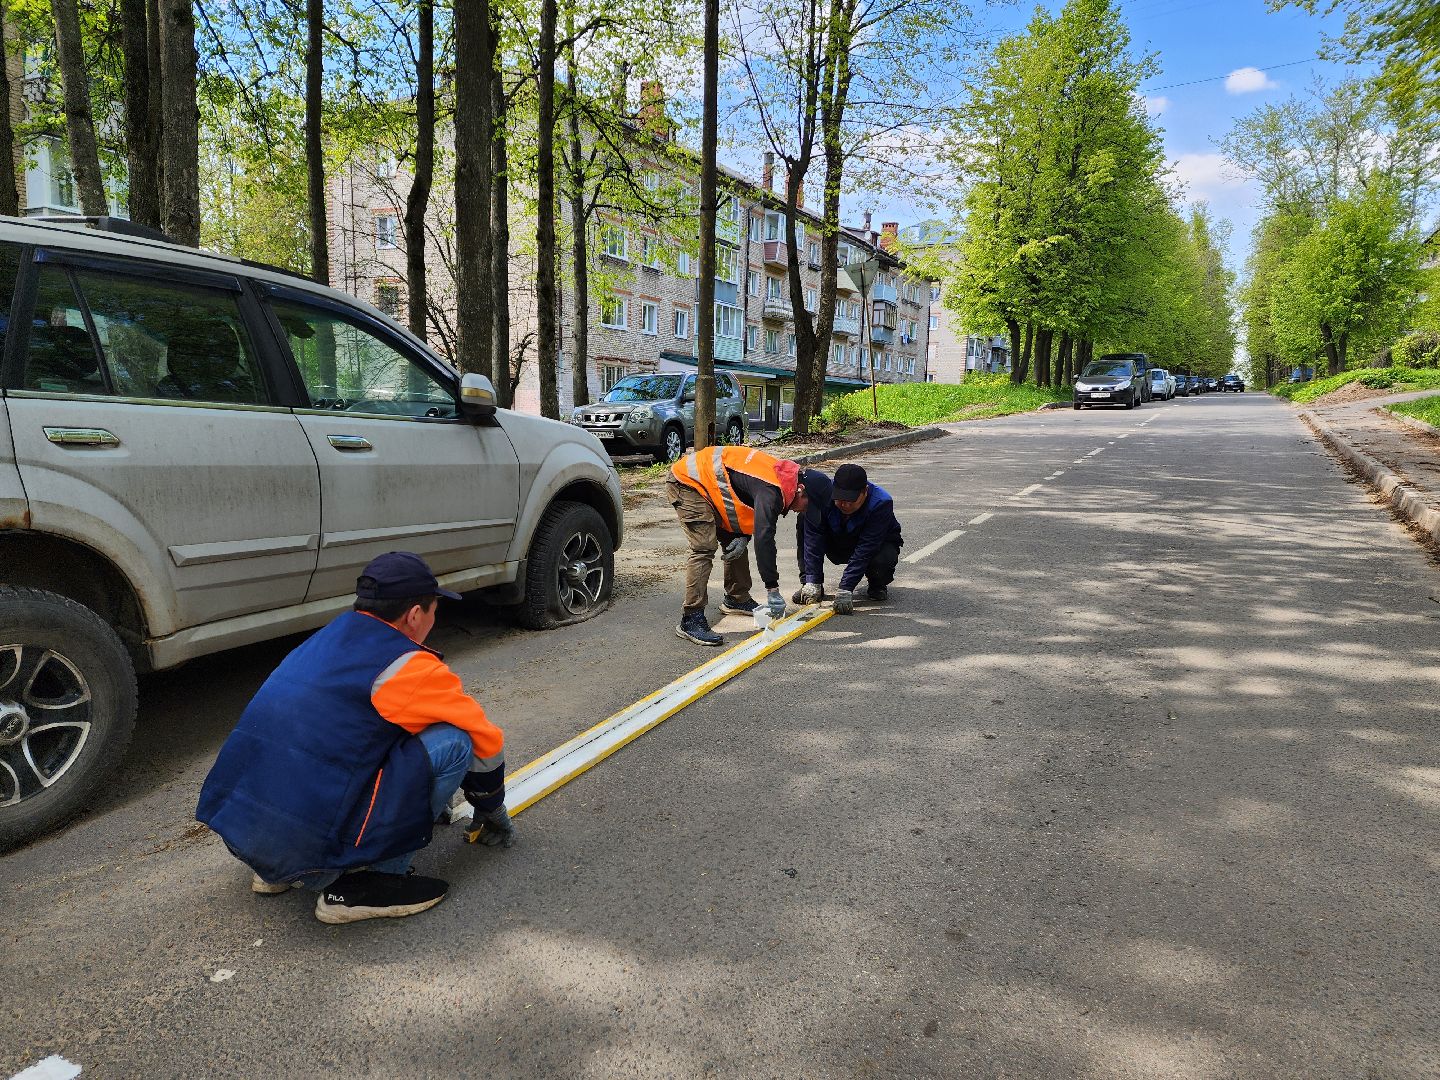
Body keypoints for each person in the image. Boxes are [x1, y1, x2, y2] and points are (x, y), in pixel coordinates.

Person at [196, 552, 514, 925]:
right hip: (308, 848)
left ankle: (275, 871)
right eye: (433, 609)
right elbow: (485, 742)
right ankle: (366, 884)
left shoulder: (326, 637)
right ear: (414, 615)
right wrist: (491, 808)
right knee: (455, 740)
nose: (433, 618)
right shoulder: (409, 666)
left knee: (362, 731)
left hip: (244, 832)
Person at [667, 444, 832, 646]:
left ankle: (736, 598)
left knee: (735, 540)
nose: (803, 512)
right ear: (800, 490)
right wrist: (772, 589)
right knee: (704, 547)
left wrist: (743, 536)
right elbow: (764, 539)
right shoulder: (772, 492)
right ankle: (690, 618)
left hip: (713, 484)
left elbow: (744, 496)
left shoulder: (784, 476)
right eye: (808, 507)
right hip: (688, 483)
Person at [793, 462, 903, 615]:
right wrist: (812, 580)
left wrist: (846, 587)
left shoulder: (881, 503)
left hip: (871, 545)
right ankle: (810, 585)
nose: (843, 505)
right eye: (839, 499)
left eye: (850, 500)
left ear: (864, 491)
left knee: (882, 560)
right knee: (804, 520)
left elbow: (866, 547)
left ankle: (877, 583)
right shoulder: (823, 492)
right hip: (837, 540)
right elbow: (813, 539)